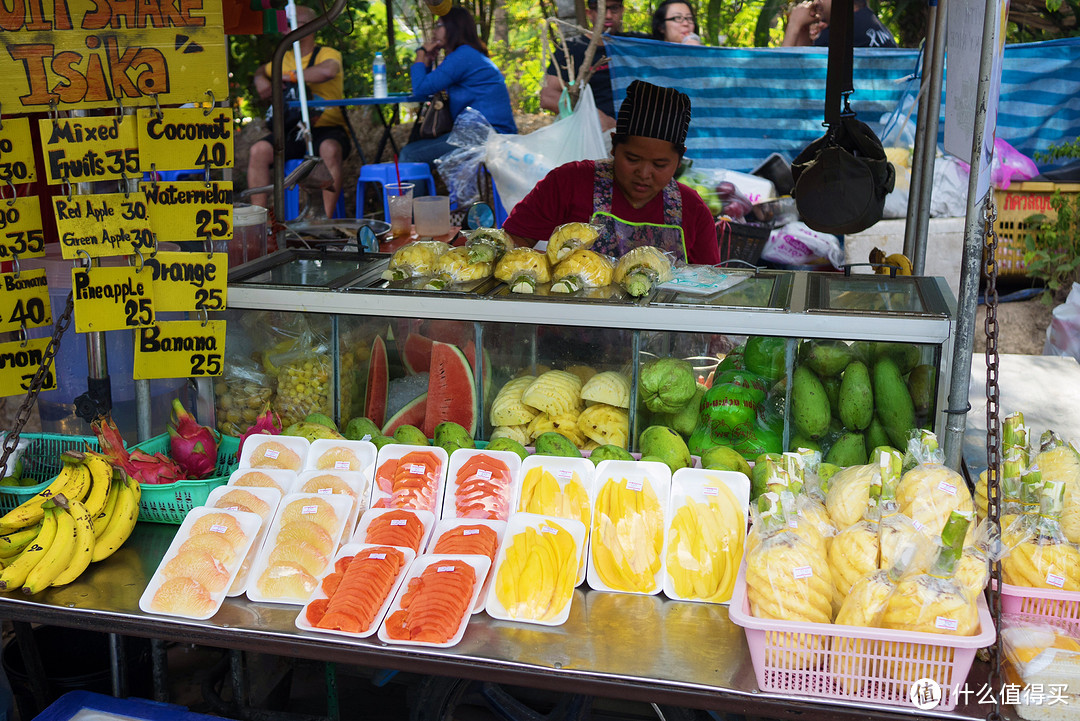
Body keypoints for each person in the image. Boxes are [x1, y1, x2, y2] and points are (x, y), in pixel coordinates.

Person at [504, 80, 720, 265]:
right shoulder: (568, 183)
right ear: (614, 146)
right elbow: (513, 242)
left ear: (680, 159)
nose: (644, 173)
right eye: (632, 159)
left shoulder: (693, 210)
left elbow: (709, 284)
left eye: (660, 164)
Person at [247, 5, 349, 218]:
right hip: (292, 130)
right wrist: (260, 80)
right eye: (286, 24)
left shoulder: (327, 54)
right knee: (258, 150)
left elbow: (328, 70)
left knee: (330, 149)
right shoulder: (282, 56)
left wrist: (287, 76)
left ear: (311, 27)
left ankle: (323, 222)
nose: (286, 29)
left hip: (326, 128)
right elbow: (260, 71)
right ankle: (261, 221)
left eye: (293, 23)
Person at [400, 7, 517, 169]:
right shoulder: (467, 54)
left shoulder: (462, 56)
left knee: (410, 154)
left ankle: (412, 195)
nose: (435, 31)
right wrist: (427, 61)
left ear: (453, 27)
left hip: (487, 136)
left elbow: (420, 89)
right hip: (487, 134)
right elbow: (428, 86)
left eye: (439, 25)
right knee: (416, 149)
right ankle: (421, 194)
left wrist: (421, 53)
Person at [539, 0, 649, 132]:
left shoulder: (638, 44)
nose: (608, 15)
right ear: (589, 13)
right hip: (596, 133)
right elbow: (547, 97)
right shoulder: (572, 48)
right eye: (599, 8)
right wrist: (592, 116)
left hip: (641, 130)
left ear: (622, 11)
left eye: (614, 8)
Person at [782, 0, 897, 47]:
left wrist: (794, 25)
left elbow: (786, 73)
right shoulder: (867, 18)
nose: (816, 2)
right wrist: (804, 28)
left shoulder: (840, 32)